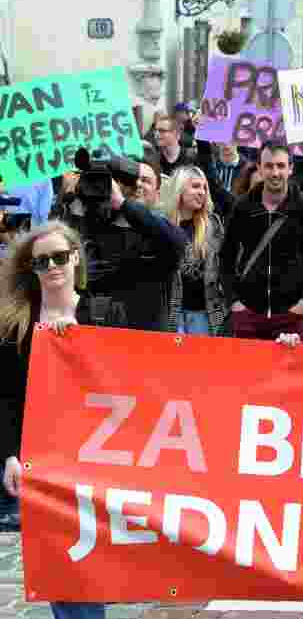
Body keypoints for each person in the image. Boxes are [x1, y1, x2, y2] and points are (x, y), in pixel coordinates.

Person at [0, 221, 108, 619]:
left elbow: (130, 376)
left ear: (75, 257)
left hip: (97, 455)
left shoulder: (102, 309)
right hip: (40, 455)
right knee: (56, 562)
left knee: (88, 561)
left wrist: (81, 342)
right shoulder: (17, 323)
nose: (52, 267)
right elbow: (6, 397)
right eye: (42, 261)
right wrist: (9, 454)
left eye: (59, 257)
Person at [60, 150, 187, 331]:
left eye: (146, 180)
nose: (138, 185)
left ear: (158, 192)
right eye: (134, 180)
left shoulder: (157, 231)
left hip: (142, 339)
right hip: (90, 333)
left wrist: (123, 204)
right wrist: (68, 202)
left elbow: (179, 244)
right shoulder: (85, 221)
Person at [220, 140, 303, 341]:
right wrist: (234, 302)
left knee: (287, 372)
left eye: (281, 166)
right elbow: (226, 255)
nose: (275, 173)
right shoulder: (243, 206)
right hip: (247, 313)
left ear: (290, 168)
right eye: (269, 166)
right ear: (259, 167)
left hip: (290, 314)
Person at [162, 166, 228, 336]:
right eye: (196, 186)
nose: (202, 192)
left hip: (205, 314)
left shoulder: (213, 225)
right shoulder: (162, 223)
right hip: (171, 313)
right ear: (179, 188)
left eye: (205, 188)